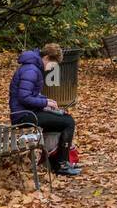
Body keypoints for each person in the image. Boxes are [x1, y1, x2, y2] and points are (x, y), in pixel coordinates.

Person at [9, 43, 80, 176]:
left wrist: (46, 100)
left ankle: (54, 162)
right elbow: (24, 97)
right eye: (53, 65)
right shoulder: (31, 70)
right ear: (46, 57)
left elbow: (30, 94)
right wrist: (45, 102)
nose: (52, 68)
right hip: (24, 115)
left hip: (27, 111)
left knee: (62, 120)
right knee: (68, 122)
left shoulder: (32, 67)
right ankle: (61, 164)